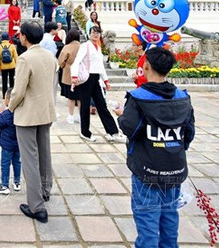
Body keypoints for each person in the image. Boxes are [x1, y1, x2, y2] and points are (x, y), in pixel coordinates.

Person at [117, 47, 196, 248]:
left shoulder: (138, 97)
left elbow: (130, 128)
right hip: (174, 170)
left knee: (148, 228)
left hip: (147, 172)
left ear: (146, 66)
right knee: (170, 223)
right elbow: (188, 135)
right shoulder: (183, 97)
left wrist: (121, 115)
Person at [9, 22, 57, 224]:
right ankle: (45, 190)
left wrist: (10, 107)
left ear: (25, 37)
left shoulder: (25, 59)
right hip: (45, 111)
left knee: (29, 158)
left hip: (28, 114)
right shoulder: (50, 56)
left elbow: (18, 91)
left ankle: (37, 206)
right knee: (44, 153)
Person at [70, 26, 120, 142]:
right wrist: (74, 77)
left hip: (96, 79)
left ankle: (112, 131)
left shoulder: (98, 48)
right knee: (85, 106)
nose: (95, 35)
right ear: (89, 34)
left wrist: (106, 80)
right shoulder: (85, 46)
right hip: (86, 79)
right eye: (93, 33)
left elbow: (100, 66)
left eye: (98, 33)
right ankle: (85, 132)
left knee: (102, 105)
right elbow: (76, 62)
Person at [0, 91, 22, 195]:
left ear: (8, 101)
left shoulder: (7, 114)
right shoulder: (21, 113)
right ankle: (17, 182)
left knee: (5, 164)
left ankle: (4, 185)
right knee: (17, 162)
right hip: (18, 145)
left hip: (7, 145)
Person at [58, 29, 81, 125]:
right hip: (80, 75)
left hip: (69, 74)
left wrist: (64, 66)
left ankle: (71, 116)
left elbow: (61, 61)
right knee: (80, 97)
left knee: (71, 98)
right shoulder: (82, 46)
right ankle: (80, 116)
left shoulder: (67, 47)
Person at [0, 33, 18, 98]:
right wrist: (17, 66)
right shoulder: (12, 46)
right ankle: (11, 95)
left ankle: (4, 95)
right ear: (8, 38)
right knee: (11, 81)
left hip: (3, 66)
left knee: (4, 81)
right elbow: (16, 57)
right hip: (12, 66)